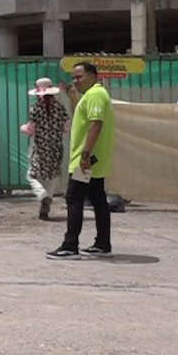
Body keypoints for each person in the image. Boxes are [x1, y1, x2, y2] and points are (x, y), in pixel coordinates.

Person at [47, 62, 115, 259]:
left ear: (94, 76)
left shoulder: (95, 95)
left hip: (86, 160)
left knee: (74, 199)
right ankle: (102, 243)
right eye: (73, 77)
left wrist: (85, 155)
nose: (75, 81)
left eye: (79, 77)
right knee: (97, 199)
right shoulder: (95, 95)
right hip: (94, 159)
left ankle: (70, 245)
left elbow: (96, 124)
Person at [24, 77, 69, 221]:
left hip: (40, 147)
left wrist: (24, 128)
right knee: (53, 176)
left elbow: (31, 129)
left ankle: (43, 195)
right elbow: (66, 127)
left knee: (32, 175)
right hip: (56, 146)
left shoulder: (35, 109)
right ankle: (47, 198)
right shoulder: (60, 108)